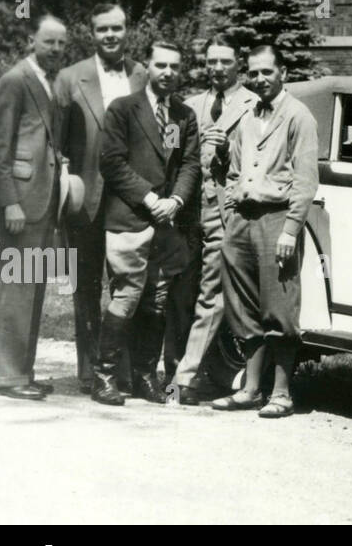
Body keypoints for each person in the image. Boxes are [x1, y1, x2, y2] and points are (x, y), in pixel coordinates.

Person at [93, 40, 199, 406]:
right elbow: (112, 163)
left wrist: (177, 201)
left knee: (157, 299)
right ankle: (104, 377)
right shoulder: (123, 109)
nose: (167, 73)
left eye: (174, 66)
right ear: (148, 67)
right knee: (126, 296)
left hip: (167, 223)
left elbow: (190, 164)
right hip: (130, 219)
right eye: (160, 65)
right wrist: (151, 199)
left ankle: (143, 376)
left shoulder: (184, 115)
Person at [214, 45, 318, 419]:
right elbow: (232, 172)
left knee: (279, 307)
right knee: (242, 305)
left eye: (267, 73)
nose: (259, 79)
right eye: (253, 73)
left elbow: (306, 180)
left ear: (283, 73)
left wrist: (291, 229)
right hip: (242, 219)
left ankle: (282, 394)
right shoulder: (246, 116)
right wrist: (230, 215)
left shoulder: (298, 116)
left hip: (277, 220)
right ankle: (250, 389)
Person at [55, 4, 146, 391]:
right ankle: (90, 370)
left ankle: (121, 369)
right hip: (87, 198)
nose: (111, 35)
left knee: (130, 284)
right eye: (102, 29)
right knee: (87, 285)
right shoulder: (71, 78)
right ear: (91, 33)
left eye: (117, 28)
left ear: (128, 31)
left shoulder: (142, 75)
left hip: (131, 199)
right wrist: (63, 180)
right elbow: (55, 140)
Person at [165, 35, 255, 404]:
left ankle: (183, 380)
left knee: (211, 296)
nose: (218, 68)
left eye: (225, 61)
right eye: (212, 61)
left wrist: (225, 149)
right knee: (178, 295)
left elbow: (256, 159)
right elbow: (168, 154)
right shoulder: (189, 106)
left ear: (239, 63)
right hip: (187, 215)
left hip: (225, 214)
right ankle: (174, 370)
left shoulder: (253, 106)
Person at [0, 15, 68, 400]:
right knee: (15, 288)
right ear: (32, 39)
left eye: (61, 44)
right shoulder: (15, 80)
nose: (55, 49)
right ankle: (6, 377)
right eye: (48, 41)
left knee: (31, 288)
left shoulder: (48, 82)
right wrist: (9, 203)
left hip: (42, 199)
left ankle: (23, 372)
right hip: (20, 202)